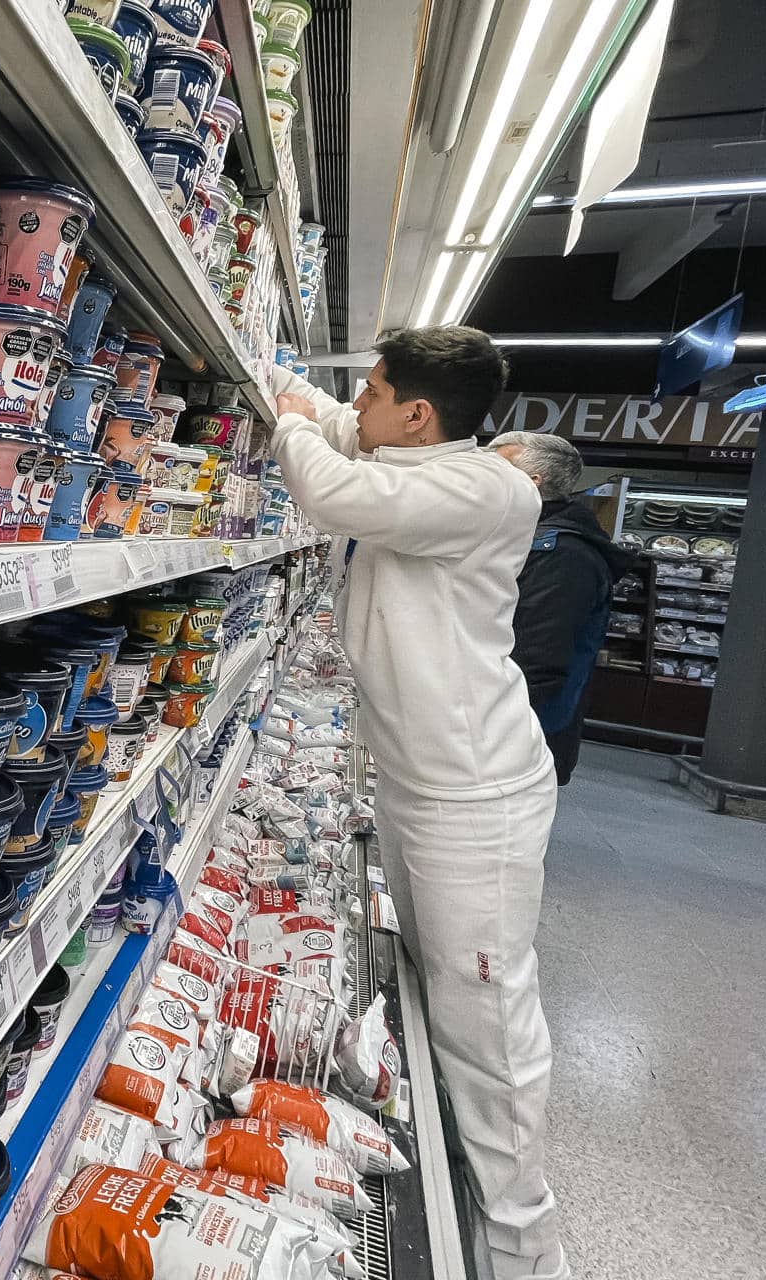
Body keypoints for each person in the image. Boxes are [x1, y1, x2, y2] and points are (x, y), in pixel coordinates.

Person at [268, 327, 567, 1280]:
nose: (359, 403)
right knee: (445, 992)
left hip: (472, 800)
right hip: (419, 782)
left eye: (374, 390)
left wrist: (285, 425)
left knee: (488, 1017)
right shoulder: (420, 458)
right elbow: (338, 431)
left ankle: (528, 1249)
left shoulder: (488, 488)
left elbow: (332, 486)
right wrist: (261, 371)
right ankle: (466, 1169)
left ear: (419, 413)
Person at [491, 431, 641, 784]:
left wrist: (482, 737)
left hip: (515, 744)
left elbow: (536, 662)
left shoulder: (563, 556)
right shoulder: (529, 538)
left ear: (531, 483)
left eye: (493, 472)